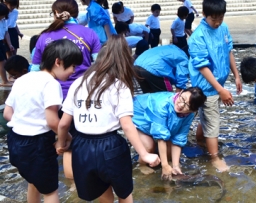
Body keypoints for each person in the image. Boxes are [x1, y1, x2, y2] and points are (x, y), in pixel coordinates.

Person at [56, 36, 160, 203]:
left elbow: (63, 123)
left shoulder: (78, 83)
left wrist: (61, 144)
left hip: (82, 147)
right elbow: (127, 125)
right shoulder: (119, 86)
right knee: (124, 194)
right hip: (110, 147)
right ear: (124, 60)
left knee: (102, 194)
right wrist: (145, 154)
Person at [4, 40, 82, 203]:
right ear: (58, 62)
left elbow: (7, 113)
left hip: (15, 141)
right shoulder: (51, 84)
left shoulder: (22, 79)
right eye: (72, 66)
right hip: (37, 145)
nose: (73, 72)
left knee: (34, 182)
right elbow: (54, 122)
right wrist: (65, 139)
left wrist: (25, 124)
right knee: (50, 191)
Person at [188, 0, 242, 172]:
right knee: (212, 122)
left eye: (221, 18)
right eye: (214, 19)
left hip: (219, 84)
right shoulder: (198, 37)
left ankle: (200, 142)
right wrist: (220, 90)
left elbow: (229, 51)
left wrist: (236, 75)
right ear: (204, 14)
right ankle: (214, 158)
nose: (218, 22)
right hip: (207, 88)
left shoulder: (223, 27)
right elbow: (202, 67)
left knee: (207, 118)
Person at [32, 0, 101, 98]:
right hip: (82, 92)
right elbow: (99, 64)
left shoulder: (44, 36)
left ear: (55, 13)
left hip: (52, 95)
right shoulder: (89, 33)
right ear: (76, 13)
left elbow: (35, 70)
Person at [133, 87, 206, 177]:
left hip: (155, 123)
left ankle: (170, 165)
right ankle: (142, 165)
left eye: (188, 106)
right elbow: (161, 136)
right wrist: (164, 165)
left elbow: (179, 137)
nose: (181, 105)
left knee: (170, 150)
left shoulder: (190, 114)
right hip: (137, 117)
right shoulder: (162, 105)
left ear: (193, 110)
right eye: (182, 98)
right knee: (149, 146)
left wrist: (175, 165)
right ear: (180, 92)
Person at [0, 4, 14, 86]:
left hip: (1, 42)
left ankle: (6, 79)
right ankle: (4, 81)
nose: (2, 17)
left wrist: (10, 45)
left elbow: (6, 33)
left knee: (4, 61)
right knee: (2, 62)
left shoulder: (3, 21)